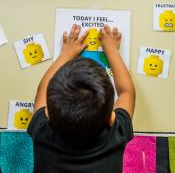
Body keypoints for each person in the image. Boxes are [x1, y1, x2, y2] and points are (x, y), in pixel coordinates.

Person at [27, 24, 136, 173]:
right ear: (111, 118)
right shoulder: (117, 134)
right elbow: (127, 92)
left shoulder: (41, 132)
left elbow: (42, 90)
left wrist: (65, 55)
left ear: (47, 114)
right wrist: (113, 51)